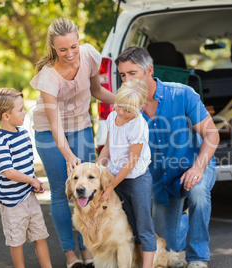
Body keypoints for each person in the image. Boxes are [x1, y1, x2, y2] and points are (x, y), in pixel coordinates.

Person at [115, 47, 220, 268]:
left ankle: (198, 257)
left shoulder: (182, 94)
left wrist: (198, 168)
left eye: (132, 73)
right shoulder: (127, 109)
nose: (126, 80)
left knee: (199, 194)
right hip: (161, 183)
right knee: (167, 251)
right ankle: (185, 224)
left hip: (194, 166)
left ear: (149, 70)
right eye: (122, 75)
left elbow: (212, 134)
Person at [30, 18, 115, 268]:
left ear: (79, 41)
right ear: (53, 47)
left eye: (73, 47)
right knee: (61, 190)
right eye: (63, 49)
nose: (70, 54)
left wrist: (123, 101)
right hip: (49, 131)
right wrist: (68, 157)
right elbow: (55, 126)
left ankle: (87, 247)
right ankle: (70, 253)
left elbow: (97, 91)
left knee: (88, 188)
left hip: (80, 125)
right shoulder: (48, 77)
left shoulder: (89, 55)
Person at [0, 88, 52, 268]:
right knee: (16, 240)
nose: (25, 113)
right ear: (6, 116)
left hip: (28, 196)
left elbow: (26, 165)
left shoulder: (23, 134)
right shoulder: (1, 141)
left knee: (40, 235)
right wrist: (31, 180)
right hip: (11, 201)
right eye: (21, 109)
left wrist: (34, 180)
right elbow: (9, 172)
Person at [96, 79, 156, 268]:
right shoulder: (113, 117)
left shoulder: (138, 125)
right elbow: (107, 147)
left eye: (128, 110)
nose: (121, 112)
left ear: (140, 106)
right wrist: (98, 170)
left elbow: (131, 162)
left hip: (137, 181)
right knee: (127, 224)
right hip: (116, 179)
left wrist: (111, 186)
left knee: (143, 226)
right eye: (119, 106)